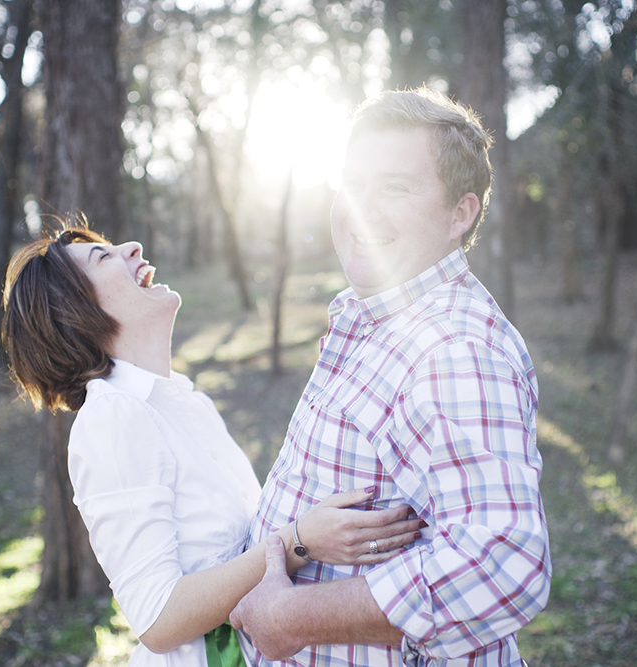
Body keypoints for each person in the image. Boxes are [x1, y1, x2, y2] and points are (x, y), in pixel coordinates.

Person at [0, 224, 424, 667]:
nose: (133, 247)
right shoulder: (111, 418)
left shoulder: (184, 400)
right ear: (75, 312)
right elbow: (158, 618)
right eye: (103, 258)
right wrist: (300, 543)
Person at [230, 88, 551, 667]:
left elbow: (504, 563)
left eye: (395, 188)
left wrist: (293, 617)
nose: (360, 209)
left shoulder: (454, 350)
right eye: (353, 183)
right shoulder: (372, 315)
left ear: (461, 213)